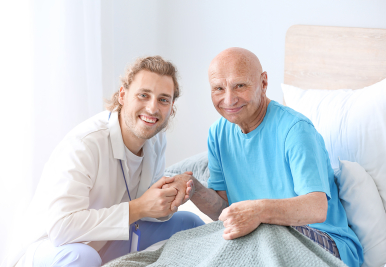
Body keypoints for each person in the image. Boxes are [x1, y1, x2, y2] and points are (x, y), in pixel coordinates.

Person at [166, 48, 364, 267]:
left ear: (263, 82)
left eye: (240, 85)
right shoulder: (218, 134)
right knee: (188, 246)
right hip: (261, 237)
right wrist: (193, 189)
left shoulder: (295, 130)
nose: (229, 99)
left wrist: (258, 212)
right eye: (218, 89)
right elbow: (225, 211)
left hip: (327, 243)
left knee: (258, 238)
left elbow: (316, 208)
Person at [7, 56, 204, 267]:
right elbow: (61, 228)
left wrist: (169, 197)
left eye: (163, 99)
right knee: (82, 257)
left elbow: (147, 207)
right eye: (143, 95)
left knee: (189, 223)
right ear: (123, 95)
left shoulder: (156, 138)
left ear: (171, 106)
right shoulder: (85, 144)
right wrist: (138, 208)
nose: (153, 108)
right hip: (51, 247)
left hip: (106, 240)